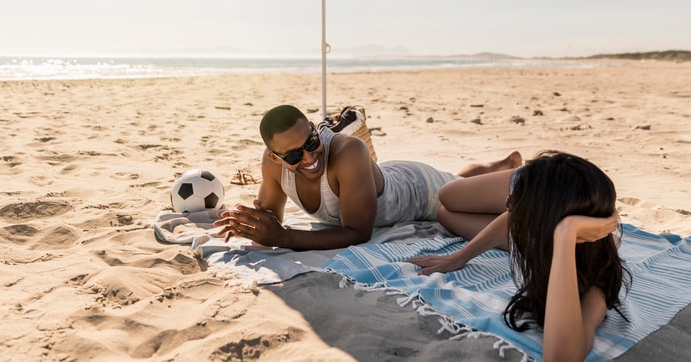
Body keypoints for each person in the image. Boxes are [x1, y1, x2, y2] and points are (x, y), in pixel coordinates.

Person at [409, 150, 630, 361]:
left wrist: (566, 232)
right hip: (548, 189)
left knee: (445, 214)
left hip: (550, 205)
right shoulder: (532, 223)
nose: (508, 201)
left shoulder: (596, 280)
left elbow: (563, 357)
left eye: (516, 202)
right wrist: (458, 258)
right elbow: (511, 217)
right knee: (447, 197)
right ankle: (508, 168)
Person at [213, 104, 522, 251]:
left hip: (419, 190)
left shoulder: (349, 152)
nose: (309, 158)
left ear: (312, 126)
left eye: (310, 142)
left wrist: (284, 238)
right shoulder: (273, 167)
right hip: (392, 177)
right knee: (458, 183)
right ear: (274, 157)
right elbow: (271, 215)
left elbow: (358, 232)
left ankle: (508, 166)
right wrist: (251, 223)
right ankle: (501, 163)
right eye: (294, 156)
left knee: (459, 193)